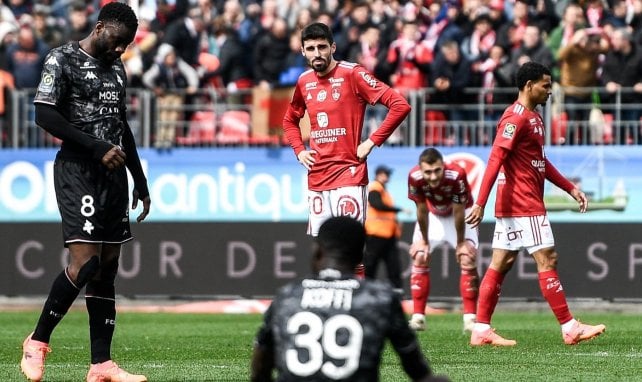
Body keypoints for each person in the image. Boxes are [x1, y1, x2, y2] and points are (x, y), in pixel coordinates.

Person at [21, 3, 150, 382]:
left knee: (107, 269)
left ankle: (101, 366)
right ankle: (37, 341)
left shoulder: (118, 69)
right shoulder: (62, 59)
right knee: (87, 264)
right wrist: (95, 148)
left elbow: (120, 126)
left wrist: (139, 180)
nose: (120, 50)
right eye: (116, 41)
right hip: (79, 171)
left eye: (126, 45)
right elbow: (44, 114)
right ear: (99, 28)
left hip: (113, 177)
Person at [465, 61, 606, 346]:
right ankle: (569, 327)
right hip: (523, 202)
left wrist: (570, 188)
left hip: (514, 203)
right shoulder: (515, 118)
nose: (550, 91)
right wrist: (480, 202)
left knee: (500, 263)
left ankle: (481, 329)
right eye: (545, 85)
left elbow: (540, 163)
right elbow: (495, 159)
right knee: (547, 259)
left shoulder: (534, 118)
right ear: (529, 86)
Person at [250, 216, 448, 382]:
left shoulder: (287, 296)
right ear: (360, 256)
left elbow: (260, 366)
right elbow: (417, 370)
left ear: (317, 251)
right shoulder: (380, 298)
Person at [282, 22, 411, 276]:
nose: (317, 53)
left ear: (333, 47)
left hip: (348, 173)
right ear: (302, 52)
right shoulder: (304, 81)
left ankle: (356, 307)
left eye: (322, 47)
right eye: (310, 48)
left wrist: (372, 142)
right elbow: (289, 120)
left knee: (351, 245)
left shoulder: (353, 74)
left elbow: (399, 104)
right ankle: (327, 306)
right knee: (323, 247)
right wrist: (299, 150)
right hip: (317, 175)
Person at [407, 148, 480, 333]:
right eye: (428, 172)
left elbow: (459, 210)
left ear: (443, 166)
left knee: (467, 257)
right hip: (433, 216)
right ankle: (418, 317)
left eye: (437, 170)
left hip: (460, 213)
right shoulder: (414, 177)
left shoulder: (456, 174)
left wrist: (461, 242)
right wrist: (423, 240)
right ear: (421, 170)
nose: (432, 177)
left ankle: (470, 318)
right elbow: (421, 210)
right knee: (420, 255)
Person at [363, 165, 406, 291]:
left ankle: (397, 293)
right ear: (378, 175)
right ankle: (365, 291)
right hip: (375, 233)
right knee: (370, 265)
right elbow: (377, 205)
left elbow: (387, 213)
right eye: (384, 174)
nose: (387, 177)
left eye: (387, 174)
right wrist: (398, 209)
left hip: (388, 234)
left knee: (394, 266)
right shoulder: (375, 187)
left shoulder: (383, 190)